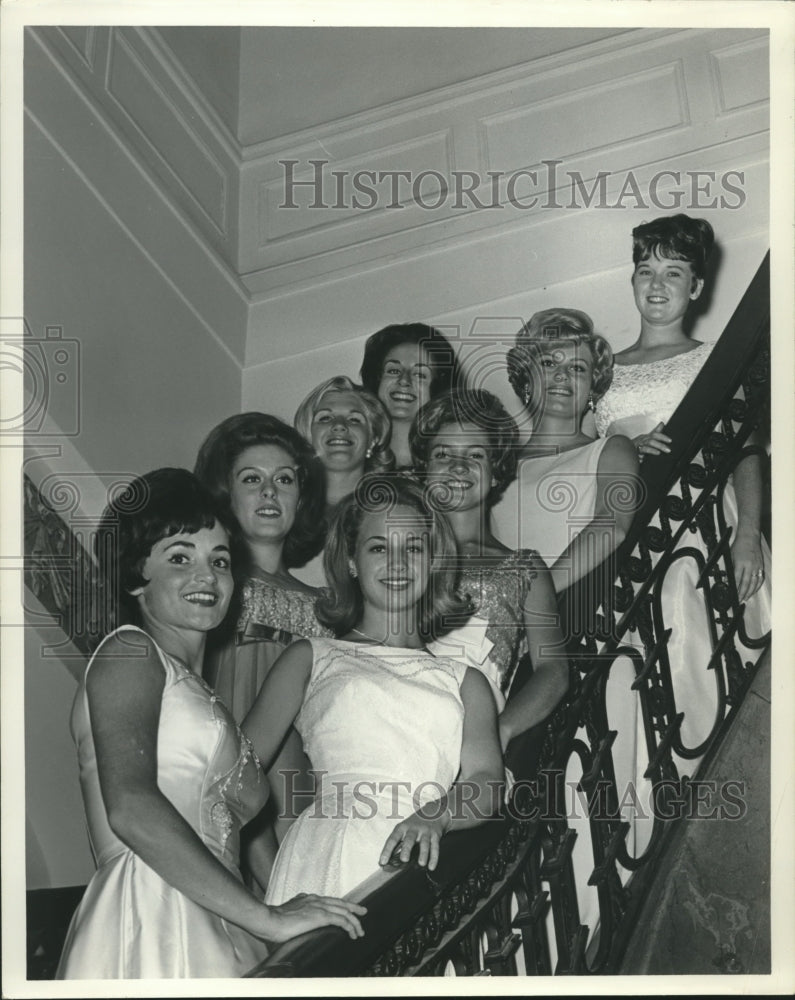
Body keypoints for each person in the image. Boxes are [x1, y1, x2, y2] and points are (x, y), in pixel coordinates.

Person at [56, 469, 365, 980]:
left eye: (219, 561)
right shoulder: (131, 651)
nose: (208, 576)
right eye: (179, 557)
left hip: (221, 911)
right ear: (137, 575)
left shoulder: (202, 696)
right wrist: (266, 917)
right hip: (155, 910)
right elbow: (131, 807)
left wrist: (286, 907)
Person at [241, 475, 505, 903]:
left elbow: (487, 781)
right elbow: (235, 772)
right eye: (379, 547)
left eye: (413, 548)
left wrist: (436, 815)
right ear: (351, 561)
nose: (397, 563)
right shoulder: (311, 656)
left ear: (433, 560)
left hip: (428, 853)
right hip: (327, 853)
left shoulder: (466, 680)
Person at [594, 213, 770, 756]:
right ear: (631, 281)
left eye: (673, 272)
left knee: (716, 654)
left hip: (708, 519)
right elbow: (576, 464)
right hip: (632, 535)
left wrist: (747, 535)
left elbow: (742, 449)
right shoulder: (601, 374)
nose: (657, 284)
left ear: (695, 287)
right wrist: (617, 450)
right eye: (646, 269)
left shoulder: (712, 360)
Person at [194, 413, 330, 884]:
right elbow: (228, 748)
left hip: (312, 821)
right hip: (236, 828)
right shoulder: (213, 593)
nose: (270, 492)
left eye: (285, 479)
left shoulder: (328, 610)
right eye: (252, 479)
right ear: (225, 495)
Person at [410, 388, 569, 753]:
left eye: (476, 455)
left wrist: (499, 732)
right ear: (424, 470)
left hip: (468, 728)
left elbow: (554, 671)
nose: (458, 466)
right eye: (443, 454)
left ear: (496, 472)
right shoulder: (401, 553)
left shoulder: (524, 567)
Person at [491, 308, 640, 596]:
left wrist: (538, 598)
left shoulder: (612, 448)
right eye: (549, 363)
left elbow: (612, 526)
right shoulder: (493, 461)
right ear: (525, 379)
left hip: (579, 614)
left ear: (593, 388)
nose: (562, 376)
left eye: (577, 368)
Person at [292, 376, 394, 587]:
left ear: (372, 439)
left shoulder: (393, 513)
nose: (339, 426)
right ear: (309, 437)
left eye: (355, 419)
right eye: (325, 418)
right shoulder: (286, 509)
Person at [359, 322, 463, 469]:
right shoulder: (352, 464)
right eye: (394, 371)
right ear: (376, 380)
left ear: (438, 388)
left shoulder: (451, 468)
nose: (404, 380)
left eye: (420, 374)